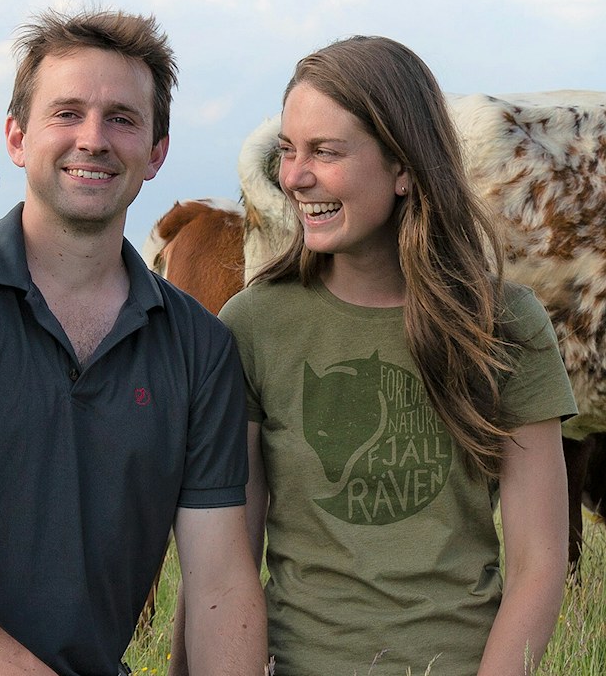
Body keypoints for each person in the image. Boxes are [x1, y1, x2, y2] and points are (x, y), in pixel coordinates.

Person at [0, 9, 265, 676]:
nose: (93, 139)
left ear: (156, 152)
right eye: (67, 113)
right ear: (17, 136)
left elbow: (218, 582)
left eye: (122, 119)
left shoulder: (201, 348)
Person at [215, 36, 574, 676]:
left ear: (404, 167)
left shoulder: (504, 324)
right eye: (289, 151)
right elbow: (227, 562)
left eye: (325, 152)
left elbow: (540, 564)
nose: (295, 176)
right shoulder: (254, 323)